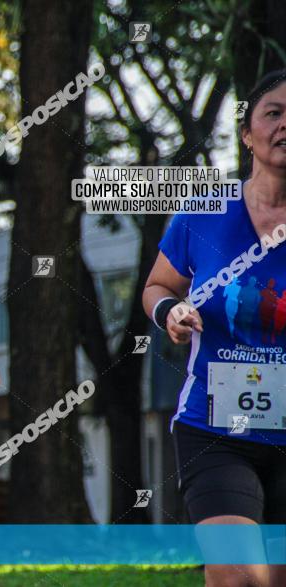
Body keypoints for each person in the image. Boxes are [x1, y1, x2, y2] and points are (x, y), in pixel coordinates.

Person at [143, 69, 286, 587]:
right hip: (215, 428)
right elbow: (157, 287)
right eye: (274, 113)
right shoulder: (204, 212)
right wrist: (170, 313)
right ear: (247, 133)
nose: (285, 125)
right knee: (240, 576)